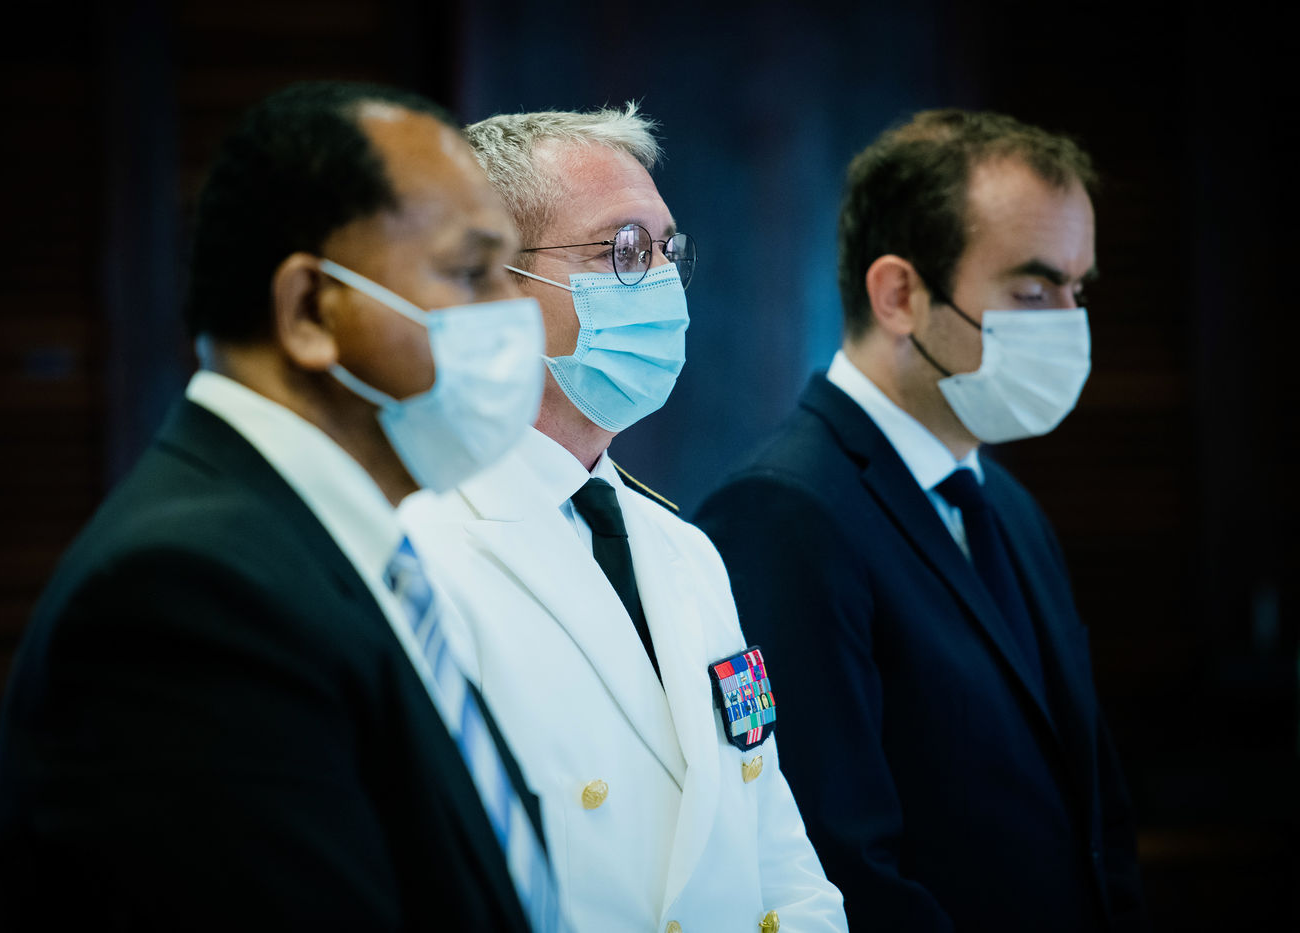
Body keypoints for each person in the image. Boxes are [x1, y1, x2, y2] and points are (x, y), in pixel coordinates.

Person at [0, 82, 566, 931]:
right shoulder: (191, 594)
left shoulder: (330, 550)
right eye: (471, 272)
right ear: (308, 311)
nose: (520, 316)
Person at [694, 109, 1148, 932]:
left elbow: (1093, 811)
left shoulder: (1004, 502)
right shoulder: (784, 509)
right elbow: (838, 860)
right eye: (1034, 290)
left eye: (1078, 290)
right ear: (900, 294)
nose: (1070, 321)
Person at [399, 105, 848, 933]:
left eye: (668, 251)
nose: (664, 283)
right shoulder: (418, 550)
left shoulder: (686, 551)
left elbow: (779, 856)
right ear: (491, 282)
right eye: (625, 250)